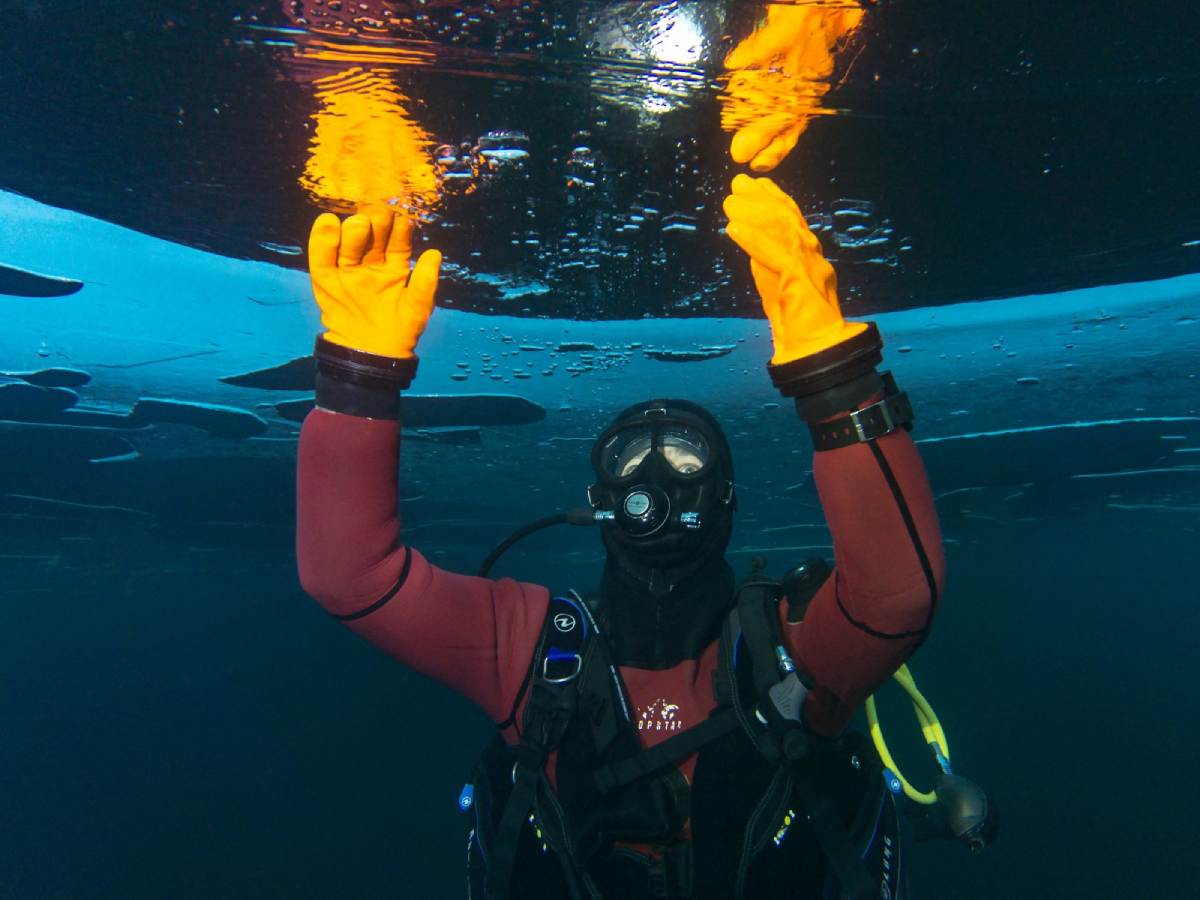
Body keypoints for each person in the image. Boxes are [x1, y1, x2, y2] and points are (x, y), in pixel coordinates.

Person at [296, 174, 945, 899]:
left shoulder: (784, 651)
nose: (657, 478)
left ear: (726, 501)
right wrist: (360, 373)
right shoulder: (534, 651)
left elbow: (895, 600)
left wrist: (832, 369)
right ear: (599, 500)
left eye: (687, 457)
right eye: (630, 460)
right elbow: (348, 574)